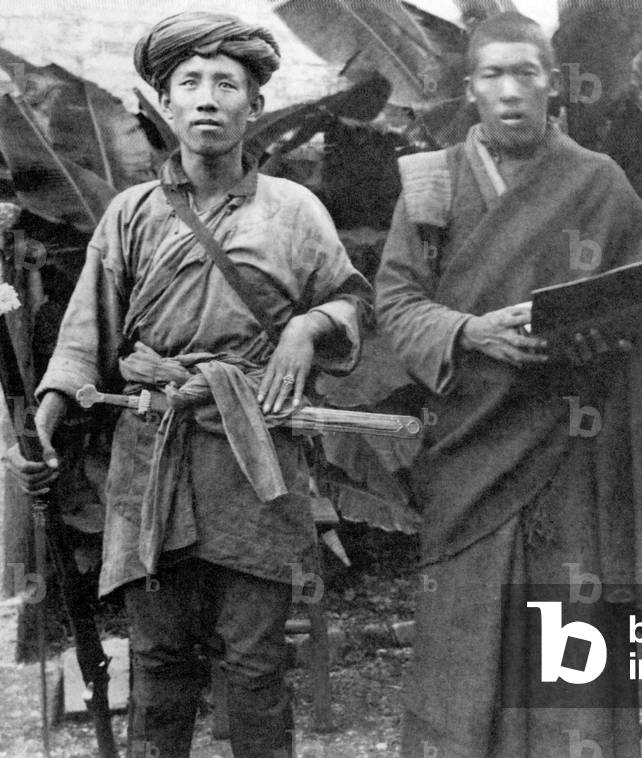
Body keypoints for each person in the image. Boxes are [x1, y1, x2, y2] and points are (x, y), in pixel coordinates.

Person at [6, 12, 372, 758]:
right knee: (161, 661)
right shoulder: (130, 214)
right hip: (154, 458)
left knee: (256, 664)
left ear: (254, 107)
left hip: (253, 461)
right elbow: (83, 340)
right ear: (166, 107)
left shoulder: (294, 212)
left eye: (226, 85)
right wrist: (37, 429)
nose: (207, 99)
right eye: (189, 85)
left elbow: (352, 301)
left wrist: (306, 329)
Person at [374, 11, 642, 757]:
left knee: (573, 652)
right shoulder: (429, 184)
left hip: (573, 453)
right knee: (463, 651)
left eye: (527, 72)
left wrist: (597, 333)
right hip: (471, 451)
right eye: (493, 74)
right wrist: (467, 331)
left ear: (553, 85)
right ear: (469, 88)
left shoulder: (597, 180)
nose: (510, 90)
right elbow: (394, 302)